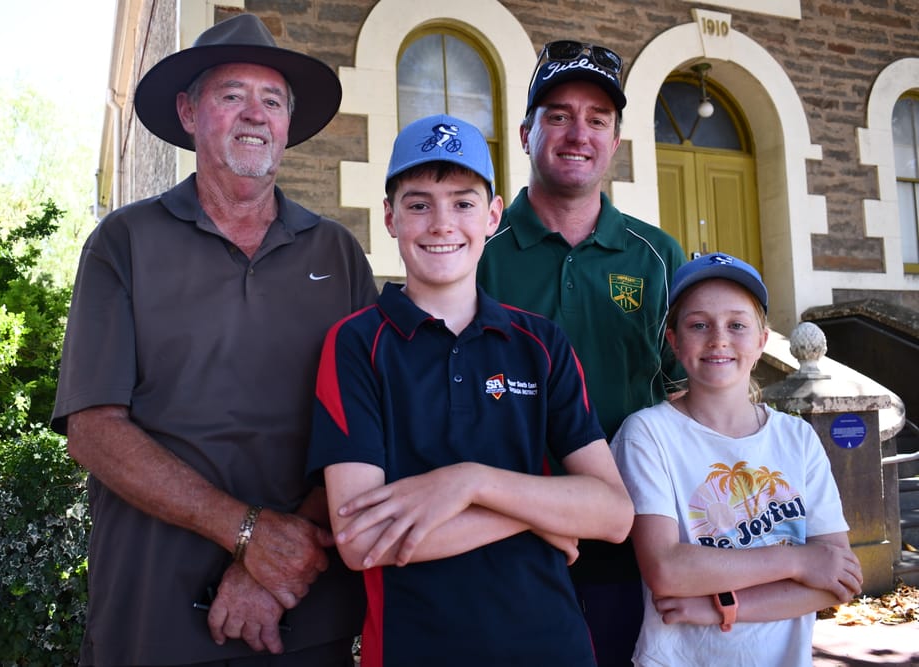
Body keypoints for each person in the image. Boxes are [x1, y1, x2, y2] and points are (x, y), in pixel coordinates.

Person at [50, 13, 377, 667]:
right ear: (189, 111)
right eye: (233, 95)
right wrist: (247, 533)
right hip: (151, 616)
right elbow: (93, 430)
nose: (256, 115)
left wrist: (274, 564)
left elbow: (369, 426)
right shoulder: (124, 243)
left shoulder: (337, 253)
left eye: (273, 101)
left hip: (303, 613)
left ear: (287, 123)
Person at [306, 114, 634, 666]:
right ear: (389, 217)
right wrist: (537, 513)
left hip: (553, 646)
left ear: (493, 215)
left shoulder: (540, 344)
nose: (442, 224)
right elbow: (361, 540)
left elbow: (614, 513)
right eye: (418, 205)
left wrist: (468, 482)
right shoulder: (357, 344)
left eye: (462, 203)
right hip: (417, 648)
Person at [476, 39, 688, 664]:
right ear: (526, 134)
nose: (579, 134)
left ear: (615, 142)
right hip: (503, 539)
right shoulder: (476, 250)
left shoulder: (658, 258)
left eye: (598, 120)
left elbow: (683, 394)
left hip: (631, 543)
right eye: (560, 115)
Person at [611, 252, 863, 666]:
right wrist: (797, 560)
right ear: (673, 340)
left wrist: (720, 607)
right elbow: (667, 569)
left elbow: (838, 578)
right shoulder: (648, 434)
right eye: (698, 324)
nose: (719, 339)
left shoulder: (797, 438)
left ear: (762, 341)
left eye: (737, 325)